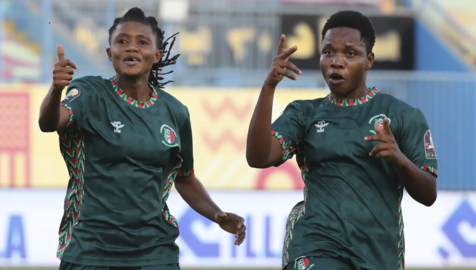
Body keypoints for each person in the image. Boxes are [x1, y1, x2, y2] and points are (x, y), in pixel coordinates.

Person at [38, 7, 246, 270]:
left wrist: (217, 215)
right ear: (109, 53)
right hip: (90, 249)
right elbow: (50, 123)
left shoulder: (175, 112)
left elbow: (185, 177)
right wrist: (56, 89)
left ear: (157, 55)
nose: (131, 47)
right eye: (122, 41)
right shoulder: (90, 93)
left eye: (142, 42)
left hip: (155, 251)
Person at [246, 10, 437, 270]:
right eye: (328, 52)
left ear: (368, 60)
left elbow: (428, 194)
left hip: (378, 253)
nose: (336, 61)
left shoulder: (402, 116)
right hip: (316, 245)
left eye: (349, 53)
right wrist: (268, 87)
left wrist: (400, 160)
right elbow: (258, 157)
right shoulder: (304, 113)